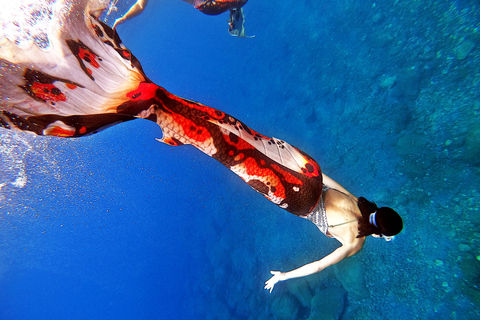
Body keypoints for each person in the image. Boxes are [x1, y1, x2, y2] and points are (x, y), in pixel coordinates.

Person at [0, 0, 402, 292]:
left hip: (304, 167)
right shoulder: (354, 241)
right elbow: (318, 265)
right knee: (229, 153)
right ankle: (151, 109)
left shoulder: (363, 203)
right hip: (296, 197)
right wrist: (283, 276)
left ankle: (163, 107)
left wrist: (296, 154)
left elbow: (330, 180)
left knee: (232, 131)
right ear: (381, 236)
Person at [264, 173, 403, 292]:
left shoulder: (359, 202)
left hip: (308, 180)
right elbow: (319, 266)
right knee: (263, 180)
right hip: (300, 201)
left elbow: (324, 178)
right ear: (378, 233)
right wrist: (283, 276)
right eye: (386, 237)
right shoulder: (356, 243)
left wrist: (308, 171)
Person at [113, 0, 253, 37]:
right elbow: (140, 5)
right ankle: (234, 11)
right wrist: (124, 17)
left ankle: (234, 11)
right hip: (207, 5)